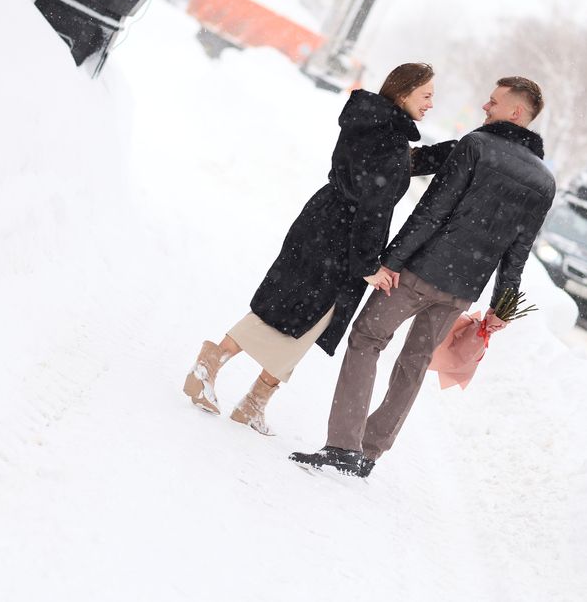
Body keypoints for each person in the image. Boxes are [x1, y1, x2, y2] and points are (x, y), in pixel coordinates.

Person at [290, 76, 556, 476]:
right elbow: (518, 252)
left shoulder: (476, 146)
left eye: (494, 101)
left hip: (418, 272)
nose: (486, 107)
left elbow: (432, 211)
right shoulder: (543, 181)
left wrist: (390, 262)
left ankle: (344, 446)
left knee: (366, 338)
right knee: (414, 363)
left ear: (516, 113)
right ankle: (370, 452)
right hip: (461, 291)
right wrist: (503, 306)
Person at [183, 63, 458, 435]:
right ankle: (210, 364)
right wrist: (367, 266)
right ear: (404, 92)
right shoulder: (387, 138)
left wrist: (454, 152)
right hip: (339, 239)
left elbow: (400, 166)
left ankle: (254, 402)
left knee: (302, 316)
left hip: (324, 225)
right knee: (289, 313)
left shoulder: (376, 126)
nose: (430, 104)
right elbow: (374, 205)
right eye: (426, 95)